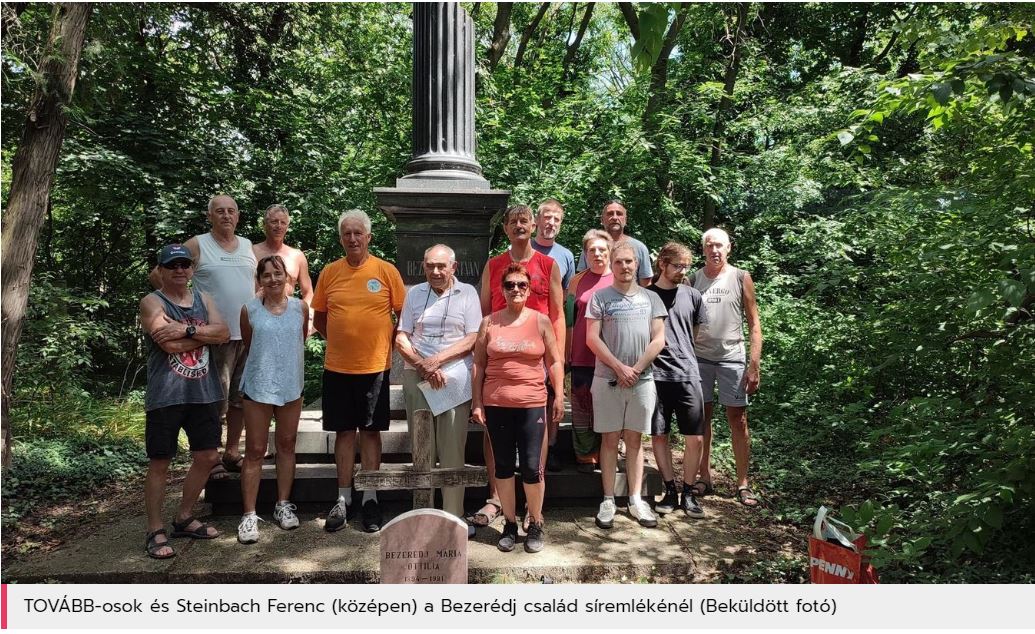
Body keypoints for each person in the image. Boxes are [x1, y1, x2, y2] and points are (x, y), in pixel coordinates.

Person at [151, 195, 257, 478]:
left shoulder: (247, 246)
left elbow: (254, 283)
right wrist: (178, 313)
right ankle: (212, 457)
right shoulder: (198, 244)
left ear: (238, 216)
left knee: (241, 398)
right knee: (214, 400)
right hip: (213, 336)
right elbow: (158, 275)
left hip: (246, 334)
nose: (226, 216)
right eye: (220, 211)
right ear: (210, 215)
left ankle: (232, 451)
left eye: (231, 211)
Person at [313, 209, 405, 533]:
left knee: (370, 433)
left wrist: (381, 343)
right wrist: (341, 340)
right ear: (341, 238)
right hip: (337, 368)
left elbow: (402, 315)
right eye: (347, 234)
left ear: (368, 237)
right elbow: (320, 318)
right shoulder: (329, 273)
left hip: (375, 368)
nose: (352, 239)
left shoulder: (386, 271)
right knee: (343, 433)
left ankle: (370, 497)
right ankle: (343, 498)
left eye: (358, 233)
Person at [472, 205, 563, 528]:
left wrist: (557, 365)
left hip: (535, 361)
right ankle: (496, 498)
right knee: (495, 438)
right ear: (507, 229)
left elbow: (557, 314)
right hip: (499, 362)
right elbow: (483, 312)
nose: (519, 226)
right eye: (513, 222)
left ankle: (533, 512)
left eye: (525, 221)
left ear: (534, 225)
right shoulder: (494, 265)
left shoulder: (548, 265)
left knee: (533, 441)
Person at [140, 244, 229, 558]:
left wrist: (187, 328)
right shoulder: (152, 302)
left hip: (203, 393)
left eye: (184, 265)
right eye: (172, 266)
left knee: (207, 456)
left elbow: (224, 333)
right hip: (167, 394)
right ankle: (154, 529)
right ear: (161, 271)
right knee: (160, 462)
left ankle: (184, 517)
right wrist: (203, 333)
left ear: (191, 270)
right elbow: (167, 344)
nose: (179, 271)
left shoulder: (204, 300)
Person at [395, 244, 481, 537]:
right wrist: (422, 365)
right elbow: (402, 337)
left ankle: (453, 517)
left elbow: (472, 337)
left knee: (452, 448)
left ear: (453, 267)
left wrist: (437, 362)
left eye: (441, 266)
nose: (435, 271)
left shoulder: (467, 293)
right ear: (423, 266)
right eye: (430, 265)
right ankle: (423, 515)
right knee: (422, 448)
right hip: (418, 376)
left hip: (454, 377)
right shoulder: (414, 294)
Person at [585, 243, 666, 529]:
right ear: (612, 264)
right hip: (607, 379)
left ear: (637, 263)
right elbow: (592, 339)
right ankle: (608, 499)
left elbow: (659, 339)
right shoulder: (600, 297)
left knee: (635, 440)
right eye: (618, 262)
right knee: (609, 440)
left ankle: (635, 498)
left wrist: (636, 369)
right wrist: (619, 368)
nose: (624, 267)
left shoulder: (651, 298)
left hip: (642, 381)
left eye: (629, 261)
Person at [236, 255, 309, 544]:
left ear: (287, 277)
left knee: (287, 445)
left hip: (291, 386)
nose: (273, 280)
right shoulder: (249, 310)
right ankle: (249, 514)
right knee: (255, 449)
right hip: (258, 387)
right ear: (260, 280)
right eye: (266, 275)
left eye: (278, 274)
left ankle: (283, 505)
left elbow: (299, 340)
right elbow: (249, 343)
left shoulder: (299, 308)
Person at [691, 227, 763, 507]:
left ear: (729, 248)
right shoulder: (693, 279)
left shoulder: (741, 277)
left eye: (719, 245)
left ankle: (743, 483)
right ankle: (703, 476)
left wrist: (753, 363)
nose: (715, 250)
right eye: (710, 245)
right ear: (704, 249)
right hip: (700, 358)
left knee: (738, 419)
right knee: (702, 418)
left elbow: (755, 323)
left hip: (733, 356)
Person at [648, 242, 707, 519]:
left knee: (694, 438)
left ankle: (689, 492)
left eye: (686, 266)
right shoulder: (646, 295)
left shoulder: (693, 295)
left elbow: (693, 333)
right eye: (677, 266)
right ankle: (669, 490)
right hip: (656, 376)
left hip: (688, 374)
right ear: (662, 264)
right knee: (659, 435)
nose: (683, 271)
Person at [531, 199, 576, 472]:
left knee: (552, 392)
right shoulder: (521, 249)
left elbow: (566, 303)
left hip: (554, 334)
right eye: (547, 217)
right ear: (537, 220)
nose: (551, 223)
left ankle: (553, 445)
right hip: (526, 332)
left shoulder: (566, 255)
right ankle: (525, 446)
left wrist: (565, 344)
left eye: (556, 219)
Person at [565, 230, 614, 474]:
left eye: (602, 249)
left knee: (608, 406)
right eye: (592, 250)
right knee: (582, 407)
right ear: (585, 253)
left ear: (610, 252)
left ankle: (608, 452)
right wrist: (566, 353)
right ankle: (585, 455)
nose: (597, 253)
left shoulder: (620, 279)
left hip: (612, 357)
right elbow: (568, 321)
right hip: (582, 356)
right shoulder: (576, 281)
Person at [252, 204, 315, 332]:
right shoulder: (251, 252)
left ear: (287, 226)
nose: (279, 226)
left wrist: (309, 319)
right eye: (274, 221)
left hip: (289, 319)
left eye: (283, 222)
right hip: (257, 318)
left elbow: (308, 293)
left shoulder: (297, 256)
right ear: (265, 224)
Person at [576, 200, 653, 287]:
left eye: (619, 214)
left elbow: (646, 286)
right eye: (610, 214)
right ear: (602, 219)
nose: (615, 217)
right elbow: (579, 281)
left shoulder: (639, 248)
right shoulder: (592, 247)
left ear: (625, 219)